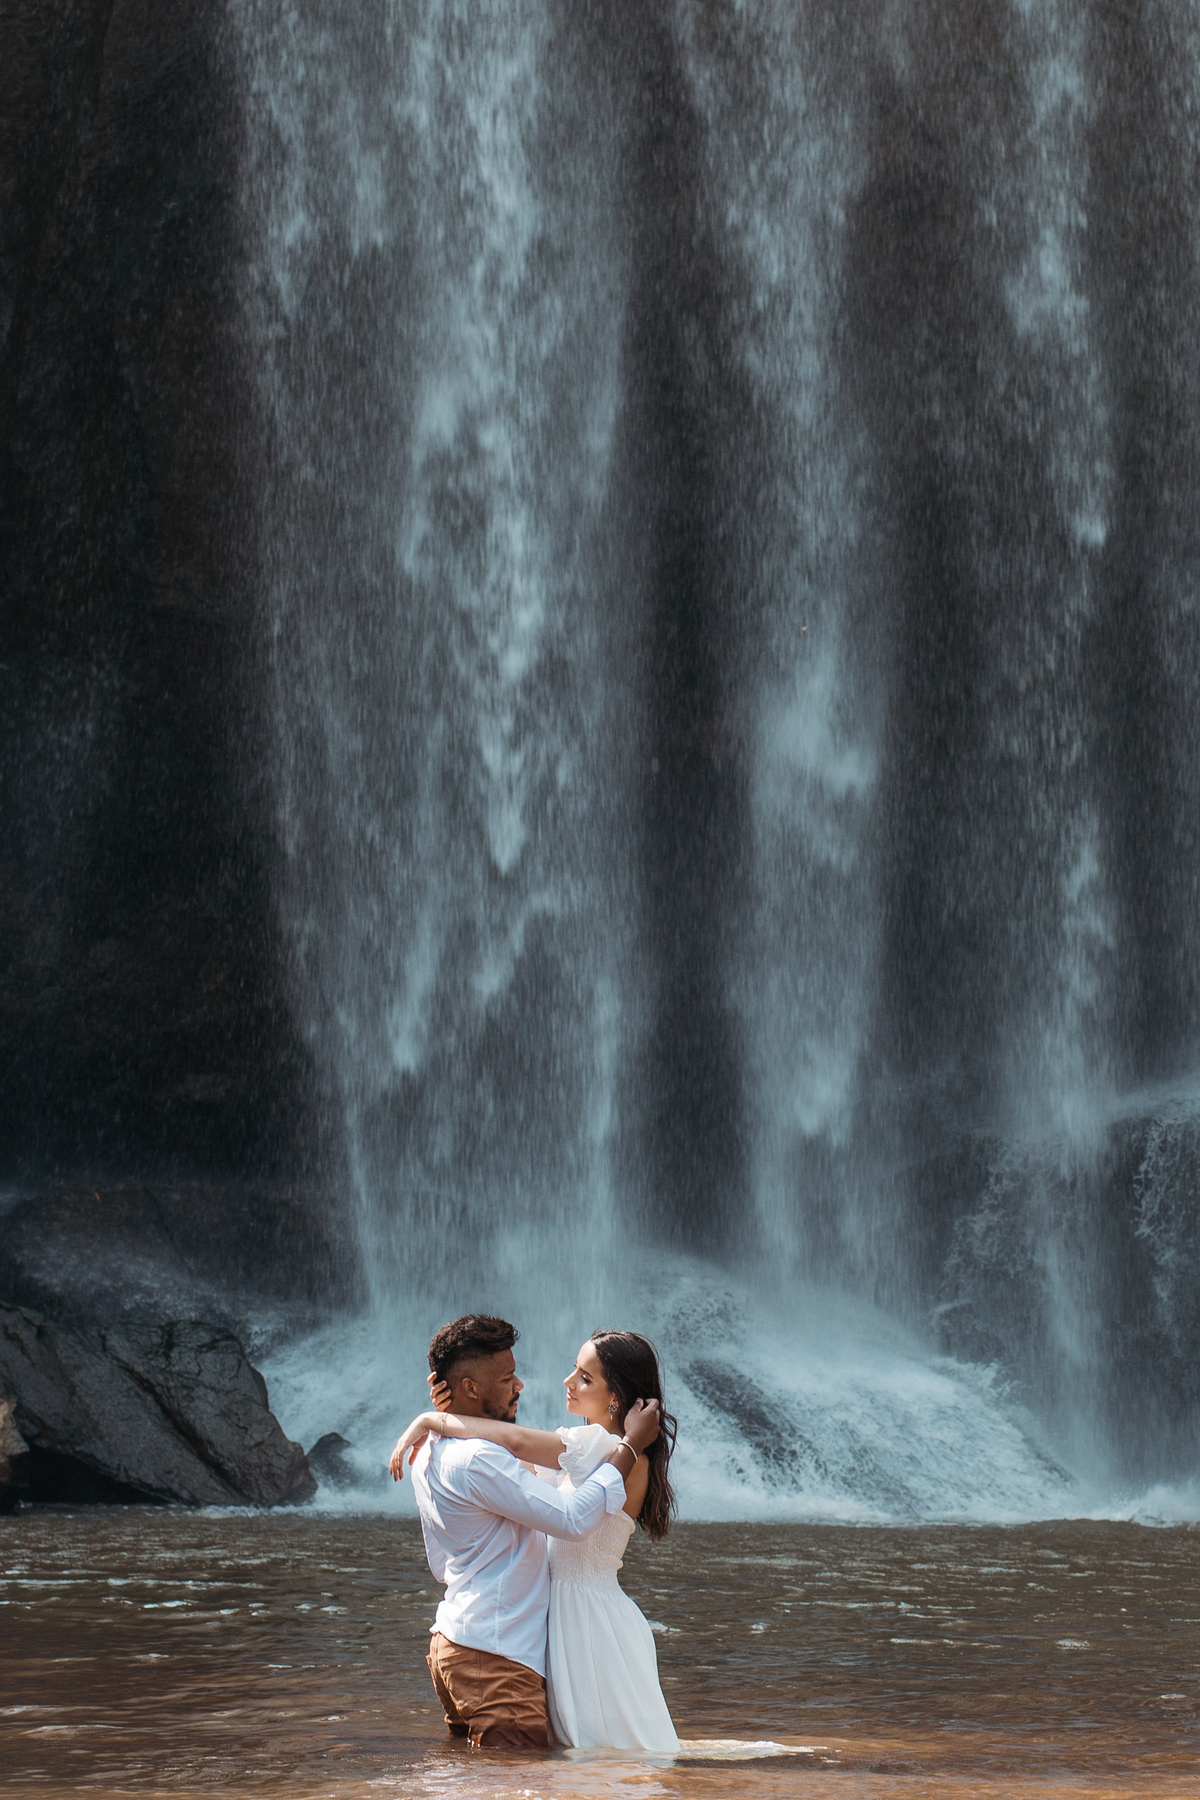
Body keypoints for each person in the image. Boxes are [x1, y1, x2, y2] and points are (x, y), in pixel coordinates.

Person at [391, 1323, 680, 1753]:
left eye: (584, 1377)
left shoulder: (608, 1448)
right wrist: (456, 1413)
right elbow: (515, 1465)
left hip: (585, 1621)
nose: (567, 1382)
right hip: (557, 1622)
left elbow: (514, 1442)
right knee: (588, 1762)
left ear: (616, 1396)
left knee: (600, 1760)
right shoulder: (591, 1453)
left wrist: (433, 1418)